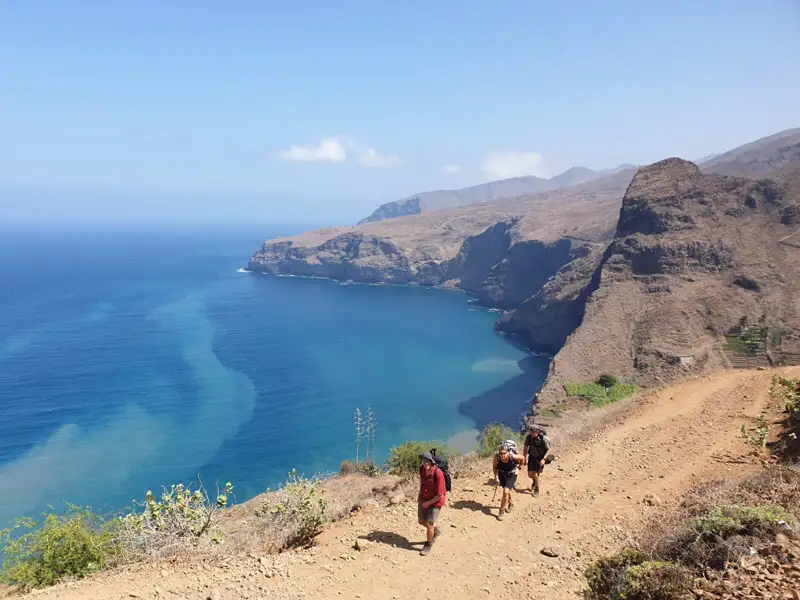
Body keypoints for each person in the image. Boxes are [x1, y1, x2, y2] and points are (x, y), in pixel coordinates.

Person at [417, 451, 446, 556]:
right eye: (423, 461)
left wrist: (428, 503)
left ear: (432, 461)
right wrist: (420, 495)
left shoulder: (438, 473)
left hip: (435, 502)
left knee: (429, 524)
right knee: (421, 521)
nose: (425, 464)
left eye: (428, 461)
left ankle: (428, 544)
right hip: (424, 498)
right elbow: (422, 481)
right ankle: (435, 531)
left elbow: (440, 495)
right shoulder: (422, 469)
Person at [492, 442, 524, 520]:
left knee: (506, 491)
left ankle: (501, 510)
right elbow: (495, 467)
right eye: (500, 453)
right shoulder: (497, 457)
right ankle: (511, 503)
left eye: (504, 453)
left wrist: (519, 468)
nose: (502, 455)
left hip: (512, 474)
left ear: (507, 452)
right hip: (502, 474)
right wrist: (496, 476)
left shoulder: (511, 456)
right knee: (506, 490)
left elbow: (522, 458)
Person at [523, 425, 552, 497]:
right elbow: (525, 448)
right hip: (532, 457)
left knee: (535, 474)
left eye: (533, 432)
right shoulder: (529, 437)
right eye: (531, 432)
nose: (531, 433)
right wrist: (524, 458)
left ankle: (537, 489)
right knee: (530, 475)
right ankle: (535, 482)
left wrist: (544, 459)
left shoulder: (543, 439)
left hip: (540, 458)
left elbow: (549, 449)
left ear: (537, 432)